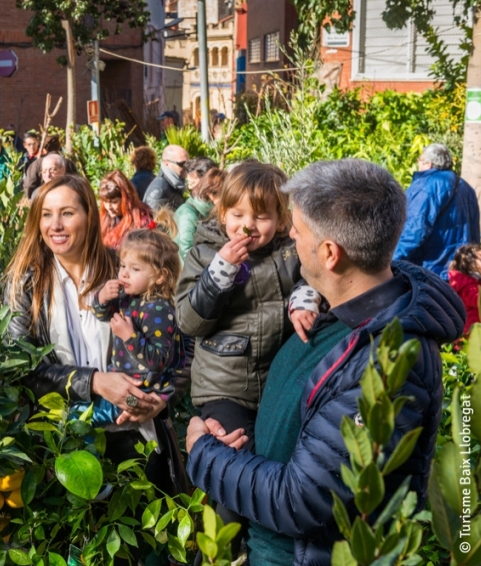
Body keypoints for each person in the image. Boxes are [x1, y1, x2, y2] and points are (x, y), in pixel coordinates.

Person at [184, 159, 466, 566]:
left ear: (330, 253)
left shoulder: (382, 362)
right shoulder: (339, 310)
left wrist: (205, 453)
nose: (289, 237)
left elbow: (300, 500)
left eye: (296, 230)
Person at [5, 175, 189, 566]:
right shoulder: (28, 282)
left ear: (89, 216)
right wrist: (93, 383)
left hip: (135, 436)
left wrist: (161, 399)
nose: (55, 225)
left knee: (144, 547)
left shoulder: (125, 269)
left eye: (67, 213)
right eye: (47, 215)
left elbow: (179, 345)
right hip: (69, 442)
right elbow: (19, 368)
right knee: (81, 551)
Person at [176, 161, 320, 554]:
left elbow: (313, 276)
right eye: (237, 214)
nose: (248, 226)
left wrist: (304, 300)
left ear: (281, 217)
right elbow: (189, 321)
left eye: (261, 216)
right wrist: (220, 271)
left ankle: (253, 552)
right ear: (222, 213)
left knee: (270, 476)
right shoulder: (205, 253)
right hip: (224, 384)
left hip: (275, 384)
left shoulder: (291, 253)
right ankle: (217, 554)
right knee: (230, 471)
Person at [83, 228, 184, 426]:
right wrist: (102, 298)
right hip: (125, 382)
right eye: (122, 266)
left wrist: (129, 336)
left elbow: (158, 360)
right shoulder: (129, 298)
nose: (125, 274)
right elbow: (101, 315)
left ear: (160, 276)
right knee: (103, 405)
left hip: (144, 390)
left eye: (135, 269)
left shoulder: (159, 310)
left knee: (86, 416)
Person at [393, 143, 480, 280]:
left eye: (420, 160)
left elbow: (413, 231)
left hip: (430, 271)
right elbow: (474, 230)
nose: (418, 164)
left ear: (428, 164)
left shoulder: (425, 187)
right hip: (461, 272)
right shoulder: (466, 188)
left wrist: (391, 262)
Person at [173, 158, 222, 260]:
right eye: (190, 183)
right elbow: (185, 249)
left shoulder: (210, 207)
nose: (190, 187)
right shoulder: (188, 213)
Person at [98, 170, 153, 250]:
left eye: (114, 202)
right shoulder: (104, 221)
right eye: (105, 202)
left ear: (126, 199)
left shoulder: (142, 221)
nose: (108, 207)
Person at [448, 243, 481, 334]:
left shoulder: (475, 281)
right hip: (472, 334)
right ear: (470, 264)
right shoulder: (467, 286)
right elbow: (479, 301)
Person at [143, 144, 189, 211]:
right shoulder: (158, 192)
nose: (187, 167)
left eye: (189, 163)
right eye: (182, 164)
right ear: (166, 163)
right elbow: (156, 220)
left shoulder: (176, 184)